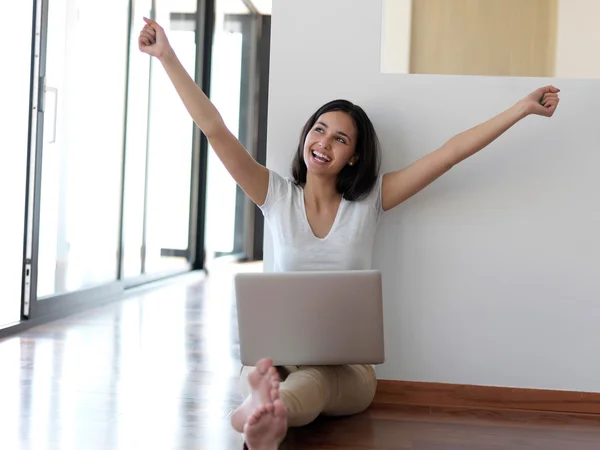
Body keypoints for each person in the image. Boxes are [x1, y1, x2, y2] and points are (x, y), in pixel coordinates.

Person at [138, 17, 560, 450]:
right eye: (319, 129)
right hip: (279, 359)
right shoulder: (274, 195)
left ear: (354, 157)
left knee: (316, 379)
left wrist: (521, 109)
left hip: (349, 370)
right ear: (306, 137)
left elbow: (450, 153)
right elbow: (215, 128)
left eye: (340, 138)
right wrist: (168, 57)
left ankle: (265, 412)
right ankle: (264, 410)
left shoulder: (371, 200)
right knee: (259, 369)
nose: (324, 141)